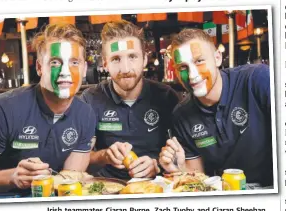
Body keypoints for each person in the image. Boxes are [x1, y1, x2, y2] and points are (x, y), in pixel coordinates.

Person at [159, 28, 273, 187]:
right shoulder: (181, 115)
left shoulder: (257, 79)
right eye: (183, 67)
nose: (192, 75)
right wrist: (178, 168)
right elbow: (199, 178)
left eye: (199, 61)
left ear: (217, 58)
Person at [0, 23, 96, 195]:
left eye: (74, 62)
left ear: (84, 69)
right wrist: (13, 176)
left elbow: (68, 178)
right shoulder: (3, 108)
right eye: (55, 62)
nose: (65, 73)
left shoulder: (85, 115)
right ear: (40, 67)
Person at [81, 20, 180, 180]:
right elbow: (79, 160)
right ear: (105, 63)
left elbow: (184, 157)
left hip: (157, 187)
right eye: (116, 59)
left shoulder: (167, 97)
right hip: (108, 188)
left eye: (132, 56)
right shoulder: (90, 99)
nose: (125, 69)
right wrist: (104, 156)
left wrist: (158, 165)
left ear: (144, 59)